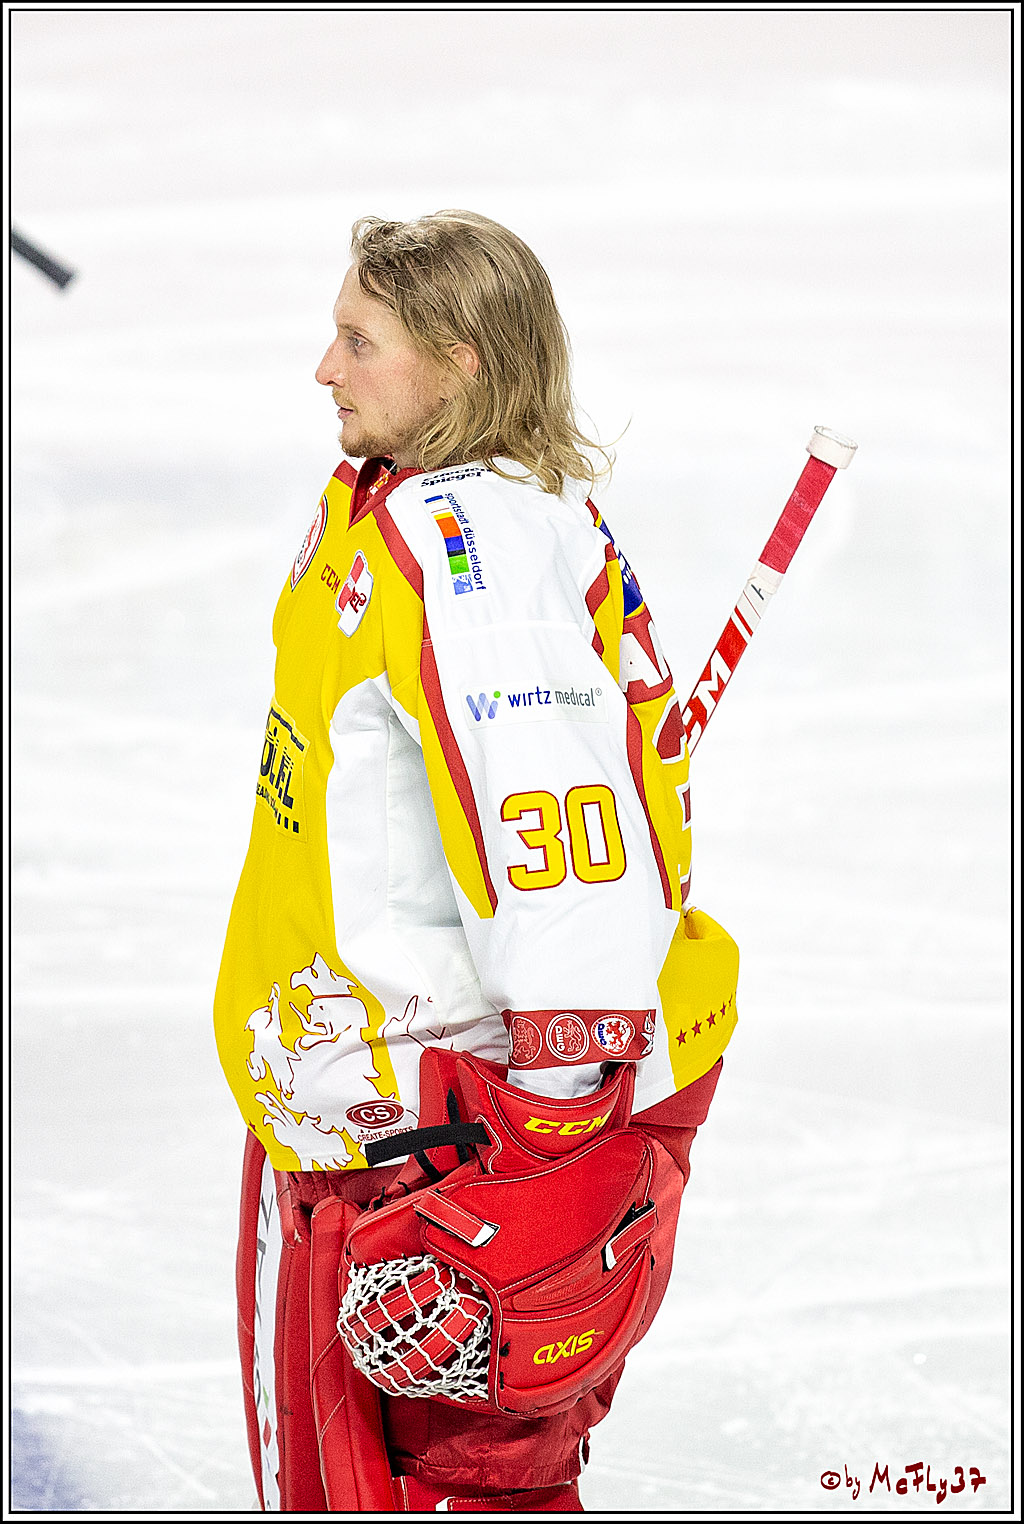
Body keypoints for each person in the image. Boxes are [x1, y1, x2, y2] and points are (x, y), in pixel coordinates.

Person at [214, 210, 739, 1513]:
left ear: (452, 363)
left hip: (445, 1137)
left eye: (357, 340)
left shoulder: (476, 556)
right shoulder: (394, 502)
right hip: (361, 1094)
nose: (323, 369)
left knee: (459, 1486)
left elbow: (569, 861)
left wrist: (548, 1146)